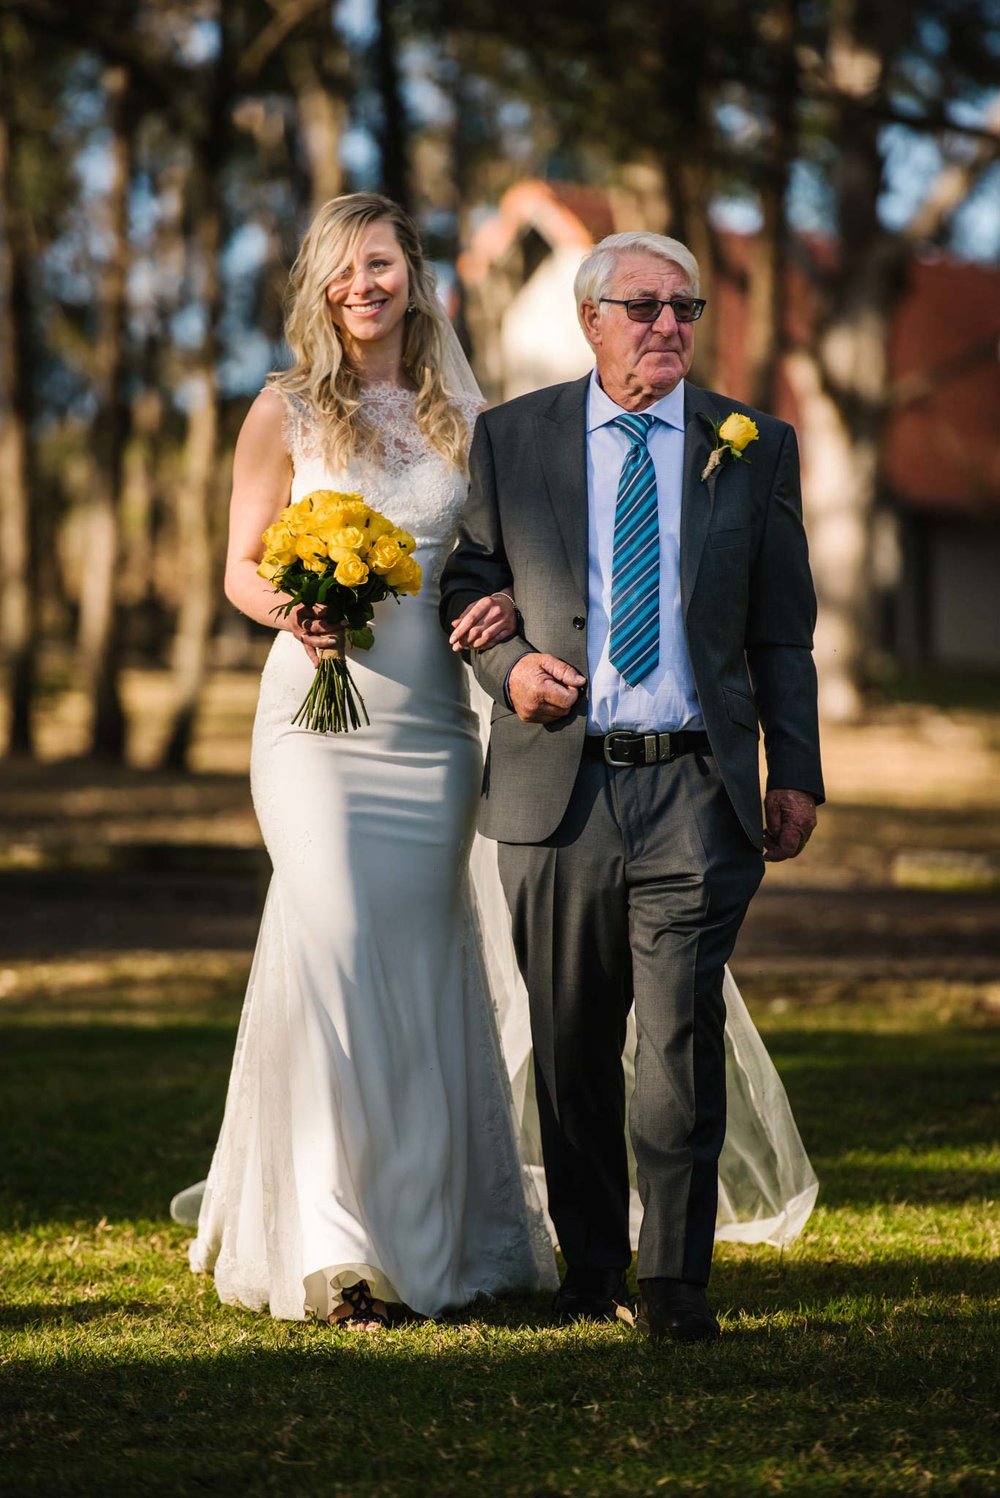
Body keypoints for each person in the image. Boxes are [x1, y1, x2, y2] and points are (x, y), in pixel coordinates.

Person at [173, 192, 557, 1328]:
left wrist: (499, 619)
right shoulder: (281, 410)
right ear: (319, 285)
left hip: (437, 729)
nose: (362, 285)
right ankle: (338, 1252)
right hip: (315, 725)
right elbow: (239, 566)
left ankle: (449, 1237)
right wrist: (291, 606)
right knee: (334, 940)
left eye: (380, 263)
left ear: (412, 275)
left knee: (430, 959)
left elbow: (491, 563)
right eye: (342, 268)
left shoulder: (466, 419)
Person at [440, 231, 824, 1343]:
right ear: (591, 319)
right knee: (569, 1038)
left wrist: (791, 770)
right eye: (645, 307)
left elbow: (782, 632)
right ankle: (591, 1264)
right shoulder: (512, 439)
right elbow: (470, 579)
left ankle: (672, 1282)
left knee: (678, 1038)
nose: (669, 327)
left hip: (694, 790)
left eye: (685, 309)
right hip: (557, 789)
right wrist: (508, 669)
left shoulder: (751, 445)